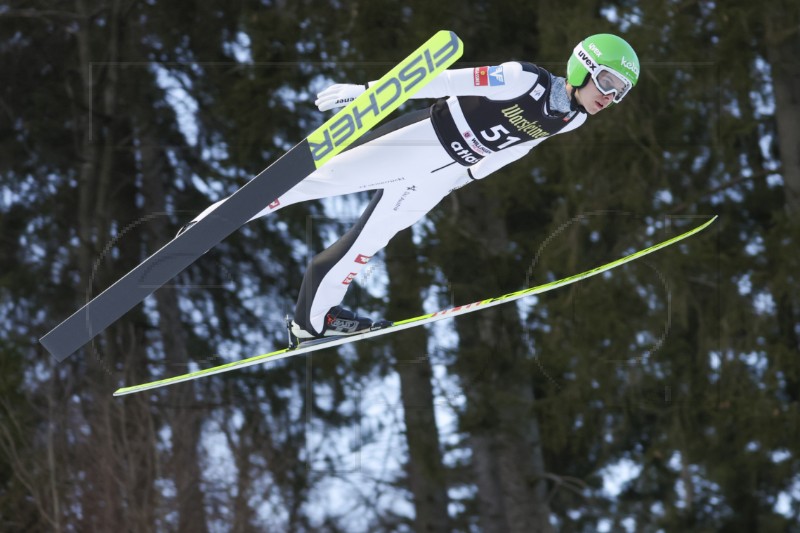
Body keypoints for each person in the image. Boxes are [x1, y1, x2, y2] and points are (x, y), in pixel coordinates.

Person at [188, 33, 640, 342]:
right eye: (607, 82)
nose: (609, 96)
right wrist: (372, 93)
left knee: (369, 242)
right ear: (582, 68)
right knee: (308, 182)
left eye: (620, 92)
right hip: (422, 138)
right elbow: (446, 79)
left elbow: (519, 147)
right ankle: (201, 229)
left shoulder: (573, 118)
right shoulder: (524, 79)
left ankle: (312, 321)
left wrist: (467, 175)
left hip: (444, 173)